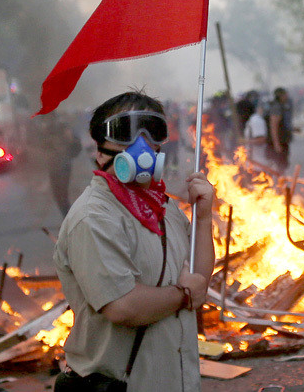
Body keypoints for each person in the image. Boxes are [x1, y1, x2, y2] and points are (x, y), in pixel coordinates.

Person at [53, 91, 214, 390]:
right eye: (126, 131)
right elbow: (123, 307)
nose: (141, 143)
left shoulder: (163, 207)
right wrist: (184, 295)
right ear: (99, 151)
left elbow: (199, 280)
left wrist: (204, 219)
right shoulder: (94, 217)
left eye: (152, 130)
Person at [44, 113, 82, 217]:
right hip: (55, 164)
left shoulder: (61, 126)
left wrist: (59, 148)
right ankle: (67, 216)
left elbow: (70, 140)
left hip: (62, 163)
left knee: (61, 194)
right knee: (59, 194)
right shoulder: (50, 128)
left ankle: (68, 217)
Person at [266, 87, 295, 174]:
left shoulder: (282, 106)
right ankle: (280, 183)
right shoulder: (276, 107)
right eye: (285, 94)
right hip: (279, 141)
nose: (287, 96)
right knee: (280, 164)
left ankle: (281, 182)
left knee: (283, 164)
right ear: (280, 96)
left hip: (283, 140)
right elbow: (273, 126)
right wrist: (276, 144)